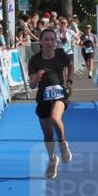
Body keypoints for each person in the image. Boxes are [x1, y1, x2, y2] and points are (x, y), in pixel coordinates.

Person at [28, 28, 73, 179]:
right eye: (46, 39)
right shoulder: (35, 60)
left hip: (60, 94)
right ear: (40, 41)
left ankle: (62, 143)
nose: (49, 42)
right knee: (47, 135)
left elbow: (70, 65)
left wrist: (69, 81)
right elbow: (32, 85)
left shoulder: (61, 55)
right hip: (42, 97)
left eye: (52, 40)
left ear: (55, 42)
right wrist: (37, 78)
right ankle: (53, 159)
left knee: (55, 119)